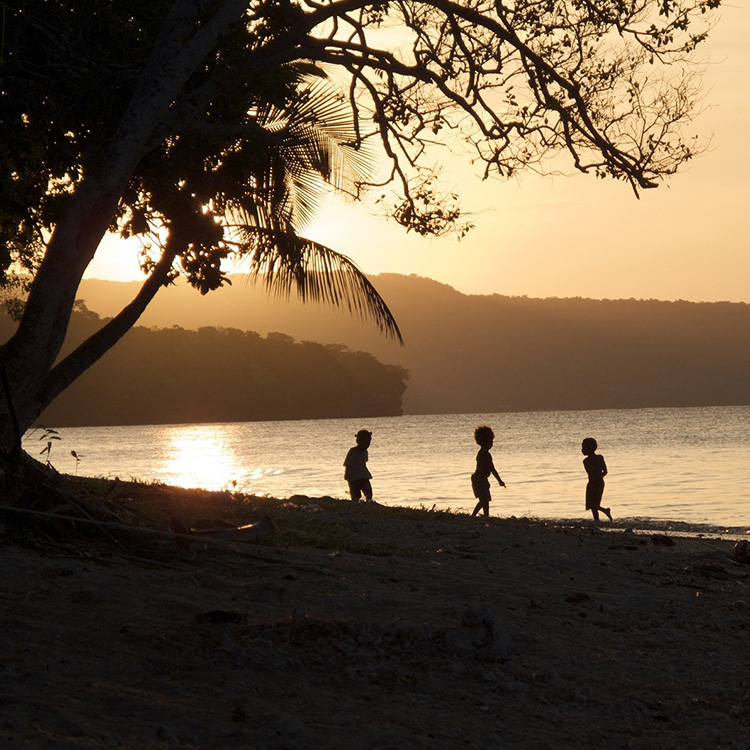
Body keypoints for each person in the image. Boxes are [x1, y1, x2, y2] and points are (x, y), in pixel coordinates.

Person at [471, 425, 505, 517]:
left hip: (482, 479)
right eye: (490, 442)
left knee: (486, 499)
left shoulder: (484, 453)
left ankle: (486, 516)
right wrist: (500, 481)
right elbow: (492, 469)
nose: (491, 444)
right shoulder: (484, 454)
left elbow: (491, 469)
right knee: (484, 500)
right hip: (479, 479)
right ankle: (473, 515)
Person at [581, 437, 612, 521]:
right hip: (593, 482)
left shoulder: (588, 461)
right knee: (592, 505)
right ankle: (596, 520)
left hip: (596, 482)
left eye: (584, 447)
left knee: (594, 504)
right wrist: (598, 478)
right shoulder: (591, 460)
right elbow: (604, 471)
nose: (582, 450)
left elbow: (604, 471)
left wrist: (597, 479)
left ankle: (605, 511)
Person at [344, 429, 373, 501]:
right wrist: (347, 476)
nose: (367, 445)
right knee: (355, 494)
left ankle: (368, 504)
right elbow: (348, 464)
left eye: (368, 442)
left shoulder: (365, 452)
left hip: (363, 475)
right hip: (353, 477)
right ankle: (356, 503)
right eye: (365, 442)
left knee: (368, 492)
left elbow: (363, 463)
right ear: (359, 441)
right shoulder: (353, 452)